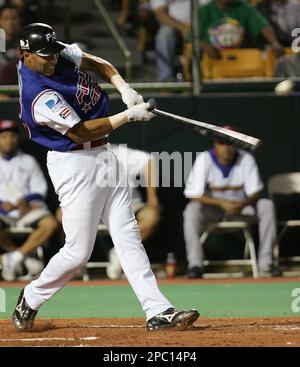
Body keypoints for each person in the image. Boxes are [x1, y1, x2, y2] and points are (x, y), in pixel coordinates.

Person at [12, 23, 199, 331]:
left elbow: (99, 63)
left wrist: (125, 89)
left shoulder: (55, 52)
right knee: (78, 252)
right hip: (75, 163)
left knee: (128, 235)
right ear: (26, 55)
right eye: (44, 56)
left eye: (52, 52)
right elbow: (79, 130)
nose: (51, 60)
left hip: (104, 155)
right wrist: (129, 116)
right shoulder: (38, 93)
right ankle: (30, 298)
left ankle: (158, 310)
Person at [183, 130, 280, 278]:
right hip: (213, 210)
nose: (226, 148)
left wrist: (241, 204)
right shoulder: (204, 159)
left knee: (266, 206)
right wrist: (221, 203)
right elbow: (193, 194)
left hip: (240, 209)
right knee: (191, 210)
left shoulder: (245, 159)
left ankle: (266, 264)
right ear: (215, 144)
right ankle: (195, 265)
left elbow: (255, 192)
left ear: (235, 144)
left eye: (230, 143)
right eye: (222, 143)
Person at [0, 119, 58, 281]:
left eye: (11, 136)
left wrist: (26, 201)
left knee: (50, 223)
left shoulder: (27, 160)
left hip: (27, 210)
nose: (8, 140)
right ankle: (20, 256)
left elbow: (40, 190)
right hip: (3, 212)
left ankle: (16, 258)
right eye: (4, 136)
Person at [105, 144, 161, 280]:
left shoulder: (116, 152)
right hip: (94, 209)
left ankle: (119, 252)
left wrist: (152, 198)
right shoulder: (76, 156)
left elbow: (149, 160)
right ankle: (75, 268)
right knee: (64, 216)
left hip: (129, 205)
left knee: (151, 215)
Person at [197, 0, 284, 59]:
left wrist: (274, 42)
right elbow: (191, 39)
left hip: (243, 59)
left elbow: (262, 26)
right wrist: (204, 46)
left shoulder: (243, 7)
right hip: (213, 60)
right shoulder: (204, 11)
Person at [150, 0, 192, 81]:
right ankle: (166, 79)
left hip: (200, 24)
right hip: (174, 27)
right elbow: (160, 14)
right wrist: (182, 27)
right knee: (164, 35)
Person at [0, 4, 20, 94]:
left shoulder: (26, 42)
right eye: (6, 18)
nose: (10, 22)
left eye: (14, 18)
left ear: (19, 21)